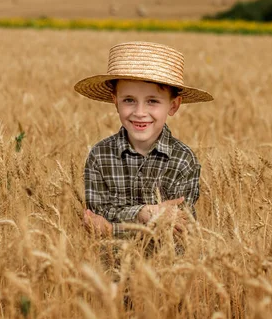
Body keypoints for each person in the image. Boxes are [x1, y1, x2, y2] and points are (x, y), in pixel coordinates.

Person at [74, 41, 213, 238]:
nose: (140, 113)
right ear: (115, 100)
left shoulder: (184, 160)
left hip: (169, 265)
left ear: (173, 106)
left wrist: (113, 228)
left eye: (152, 101)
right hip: (108, 265)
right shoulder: (99, 156)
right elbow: (95, 220)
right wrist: (144, 213)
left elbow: (178, 228)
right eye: (129, 100)